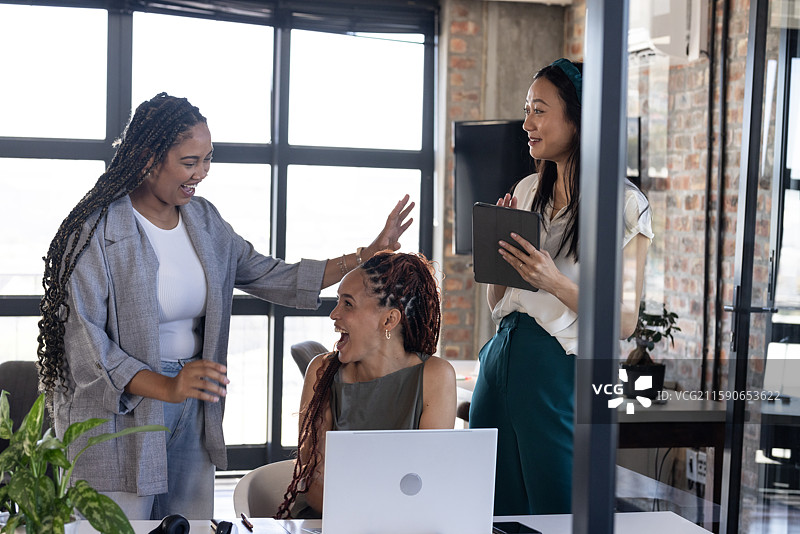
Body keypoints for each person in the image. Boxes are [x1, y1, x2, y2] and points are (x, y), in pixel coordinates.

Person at [35, 93, 415, 521]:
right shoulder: (94, 231)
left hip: (194, 403)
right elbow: (86, 348)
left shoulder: (204, 220)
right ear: (146, 158)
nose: (201, 173)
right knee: (124, 526)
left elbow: (272, 275)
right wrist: (168, 386)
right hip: (123, 408)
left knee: (191, 525)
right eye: (189, 161)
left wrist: (365, 255)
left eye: (208, 159)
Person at [468, 58, 653, 515]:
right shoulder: (529, 189)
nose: (527, 123)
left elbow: (625, 322)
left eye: (539, 110)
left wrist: (552, 281)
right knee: (488, 505)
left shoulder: (626, 205)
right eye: (527, 109)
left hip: (556, 370)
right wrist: (498, 257)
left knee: (558, 506)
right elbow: (500, 302)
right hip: (500, 357)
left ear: (577, 117)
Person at [275, 251, 457, 519]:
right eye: (338, 301)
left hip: (402, 524)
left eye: (348, 304)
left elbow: (427, 481)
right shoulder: (322, 371)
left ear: (389, 320)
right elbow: (312, 483)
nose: (334, 314)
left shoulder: (435, 375)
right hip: (327, 521)